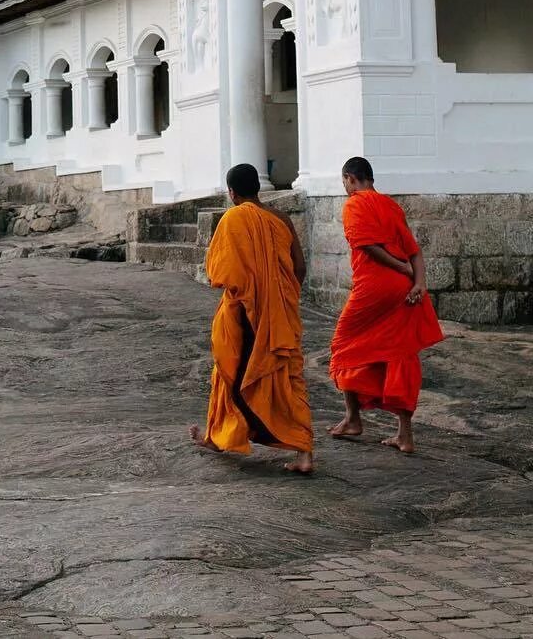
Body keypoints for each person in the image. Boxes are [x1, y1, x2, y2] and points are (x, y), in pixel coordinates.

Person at [190, 163, 314, 474]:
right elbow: (299, 266)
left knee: (230, 372)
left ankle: (220, 435)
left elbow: (219, 274)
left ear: (231, 192)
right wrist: (281, 299)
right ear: (257, 189)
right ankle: (304, 454)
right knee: (287, 378)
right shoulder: (281, 218)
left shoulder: (233, 218)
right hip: (279, 312)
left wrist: (255, 297)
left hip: (244, 314)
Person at [328, 156, 444, 454]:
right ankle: (405, 435)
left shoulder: (354, 203)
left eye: (344, 182)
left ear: (350, 178)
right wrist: (418, 282)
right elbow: (414, 251)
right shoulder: (391, 206)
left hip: (374, 288)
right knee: (401, 354)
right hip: (405, 291)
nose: (345, 187)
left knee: (344, 346)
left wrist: (401, 269)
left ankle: (353, 418)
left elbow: (368, 246)